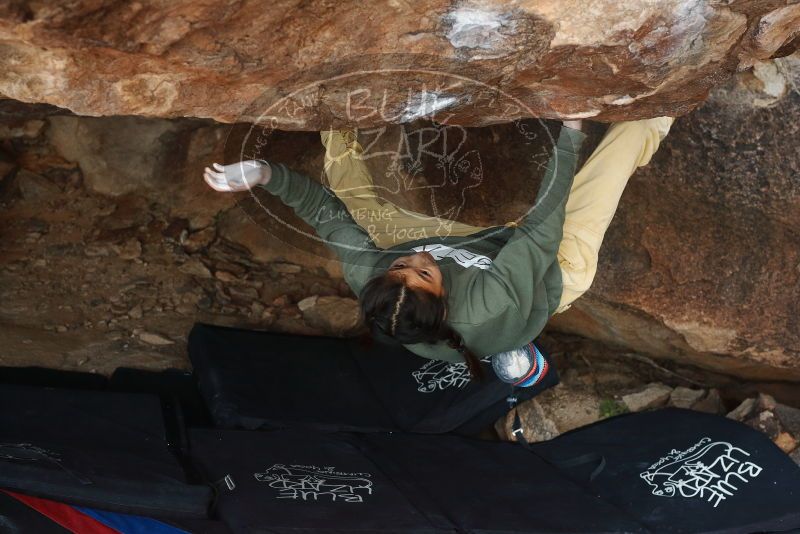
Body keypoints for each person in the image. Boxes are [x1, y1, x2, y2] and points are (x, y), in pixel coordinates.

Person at [204, 117, 673, 377]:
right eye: (422, 273)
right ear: (444, 301)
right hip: (551, 267)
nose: (418, 260)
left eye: (403, 266)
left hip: (474, 250)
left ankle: (336, 115)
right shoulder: (490, 305)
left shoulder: (377, 280)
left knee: (354, 202)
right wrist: (570, 133)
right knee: (613, 159)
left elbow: (327, 217)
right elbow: (539, 231)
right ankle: (658, 113)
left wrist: (267, 174)